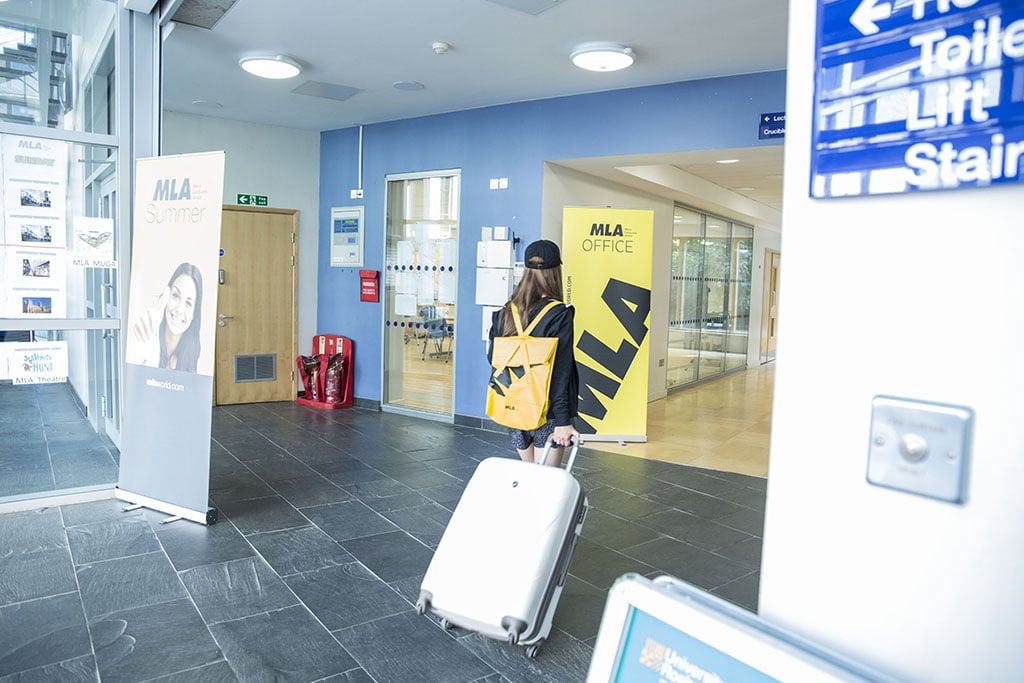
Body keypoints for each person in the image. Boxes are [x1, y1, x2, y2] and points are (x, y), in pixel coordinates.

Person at [488, 239, 580, 467]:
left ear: (526, 270)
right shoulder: (559, 314)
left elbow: (492, 358)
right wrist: (563, 421)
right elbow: (561, 371)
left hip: (513, 405)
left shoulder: (504, 313)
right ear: (556, 271)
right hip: (546, 412)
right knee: (546, 485)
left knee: (529, 478)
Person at [129, 262, 203, 372]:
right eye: (175, 296)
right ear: (167, 296)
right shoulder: (148, 331)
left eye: (188, 303)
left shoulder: (191, 355)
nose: (179, 309)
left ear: (194, 314)